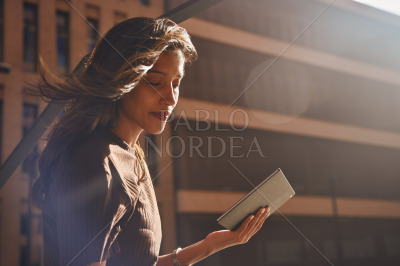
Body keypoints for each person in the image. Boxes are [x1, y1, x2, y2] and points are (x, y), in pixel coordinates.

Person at [32, 17, 270, 266]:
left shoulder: (132, 157)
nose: (170, 98)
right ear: (124, 79)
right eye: (155, 82)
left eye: (176, 84)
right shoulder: (95, 161)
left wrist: (210, 245)